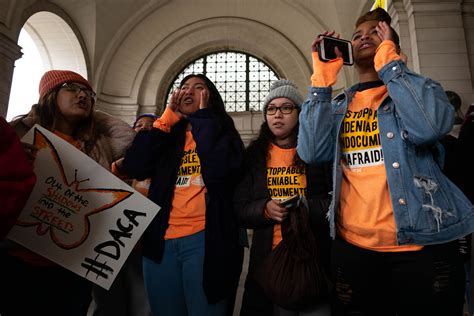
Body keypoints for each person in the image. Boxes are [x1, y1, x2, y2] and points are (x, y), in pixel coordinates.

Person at [297, 8, 474, 316]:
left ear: (392, 43)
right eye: (357, 35)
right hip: (354, 250)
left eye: (375, 32)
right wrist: (321, 81)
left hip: (421, 247)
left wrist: (391, 65)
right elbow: (311, 152)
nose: (364, 36)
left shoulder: (422, 89)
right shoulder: (337, 106)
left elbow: (429, 128)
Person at [0, 70, 135, 316]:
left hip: (72, 265)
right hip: (18, 258)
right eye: (71, 88)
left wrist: (92, 111)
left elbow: (127, 137)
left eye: (88, 93)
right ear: (50, 95)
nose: (82, 95)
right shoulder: (18, 135)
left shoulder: (98, 144)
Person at [116, 74, 244, 315]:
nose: (188, 91)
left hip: (205, 241)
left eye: (198, 88)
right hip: (161, 242)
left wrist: (204, 120)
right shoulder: (165, 135)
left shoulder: (223, 134)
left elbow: (219, 172)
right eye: (184, 87)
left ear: (210, 97)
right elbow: (134, 165)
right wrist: (165, 120)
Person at [235, 79, 332, 316]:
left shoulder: (316, 153)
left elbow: (336, 202)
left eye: (286, 108)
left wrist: (308, 207)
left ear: (299, 113)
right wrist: (264, 210)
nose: (278, 115)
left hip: (312, 257)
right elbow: (239, 208)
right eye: (271, 109)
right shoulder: (254, 157)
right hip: (269, 261)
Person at [90, 114, 158, 316]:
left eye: (150, 127)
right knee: (106, 303)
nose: (143, 129)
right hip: (109, 245)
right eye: (138, 125)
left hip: (144, 247)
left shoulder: (161, 166)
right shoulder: (114, 161)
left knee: (142, 305)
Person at [0, 116, 36, 239]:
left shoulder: (95, 144)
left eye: (91, 95)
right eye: (72, 94)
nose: (82, 95)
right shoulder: (17, 131)